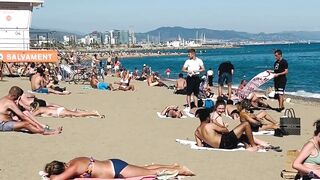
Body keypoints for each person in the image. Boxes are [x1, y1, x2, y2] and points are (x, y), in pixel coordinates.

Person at [43, 157, 195, 179]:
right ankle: (173, 165)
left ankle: (181, 170)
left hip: (116, 169)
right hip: (113, 164)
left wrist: (49, 176)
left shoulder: (74, 167)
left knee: (150, 172)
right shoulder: (73, 161)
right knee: (144, 168)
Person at [194, 108, 270, 151]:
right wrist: (217, 124)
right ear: (207, 118)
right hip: (226, 142)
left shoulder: (197, 132)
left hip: (221, 146)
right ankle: (253, 146)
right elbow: (226, 130)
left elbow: (200, 145)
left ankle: (250, 145)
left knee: (241, 136)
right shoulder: (210, 125)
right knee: (246, 124)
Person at [30, 102, 104, 118]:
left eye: (31, 109)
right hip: (60, 110)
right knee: (76, 113)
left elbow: (31, 115)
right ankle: (92, 115)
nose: (31, 110)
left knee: (76, 114)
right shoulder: (42, 108)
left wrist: (29, 112)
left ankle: (93, 113)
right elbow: (52, 105)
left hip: (60, 112)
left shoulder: (39, 110)